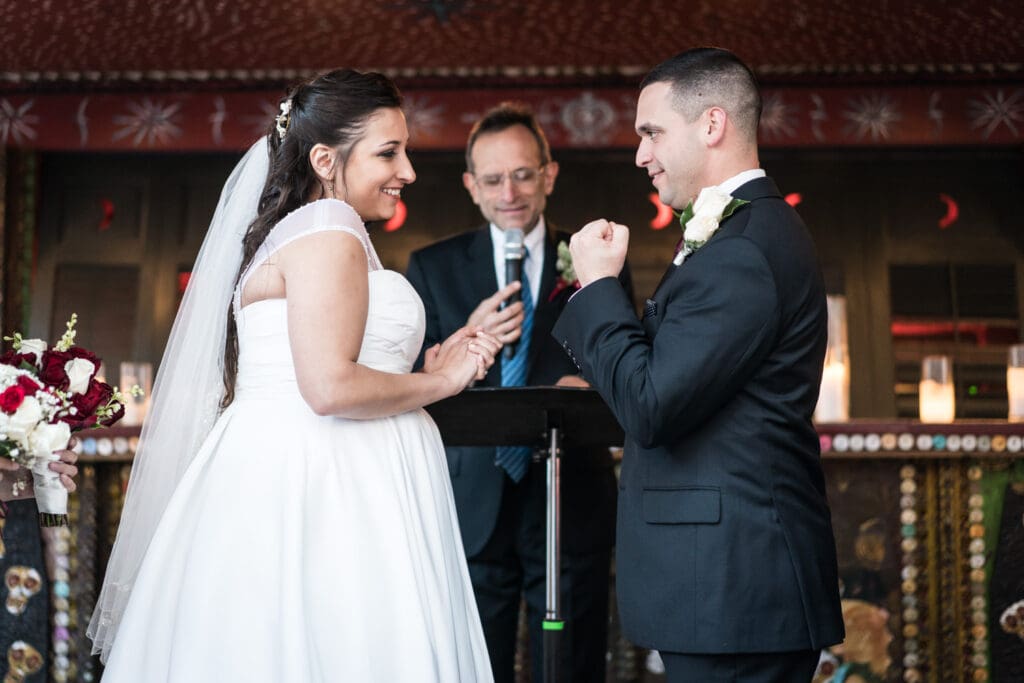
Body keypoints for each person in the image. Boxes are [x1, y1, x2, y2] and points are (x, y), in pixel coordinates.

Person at [87, 69, 499, 682]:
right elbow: (329, 387)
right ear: (326, 159)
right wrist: (441, 384)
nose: (408, 171)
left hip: (293, 464)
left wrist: (419, 367)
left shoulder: (307, 232)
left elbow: (330, 361)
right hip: (331, 478)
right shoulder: (328, 229)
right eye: (389, 152)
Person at [552, 48, 845, 682]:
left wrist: (599, 288)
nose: (640, 155)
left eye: (651, 132)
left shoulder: (745, 248)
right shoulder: (739, 238)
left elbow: (652, 406)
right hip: (722, 587)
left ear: (712, 125)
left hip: (734, 586)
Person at [406, 102, 632, 683]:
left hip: (571, 494)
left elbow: (627, 361)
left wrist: (594, 383)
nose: (509, 191)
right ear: (471, 187)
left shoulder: (595, 260)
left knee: (574, 664)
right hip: (473, 500)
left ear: (549, 175)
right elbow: (409, 384)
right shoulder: (431, 268)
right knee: (475, 664)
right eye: (493, 178)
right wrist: (461, 346)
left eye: (524, 174)